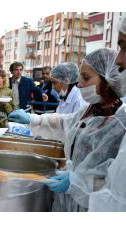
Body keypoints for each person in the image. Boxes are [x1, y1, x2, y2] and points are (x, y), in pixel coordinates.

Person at [8, 48, 126, 212]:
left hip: (92, 206)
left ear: (109, 79)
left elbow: (118, 188)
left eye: (86, 78)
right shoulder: (92, 109)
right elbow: (65, 122)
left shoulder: (120, 123)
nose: (79, 84)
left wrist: (79, 183)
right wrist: (34, 119)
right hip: (70, 200)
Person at [88, 14, 126, 212]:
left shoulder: (118, 117)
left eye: (125, 47)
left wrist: (77, 183)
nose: (119, 60)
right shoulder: (91, 109)